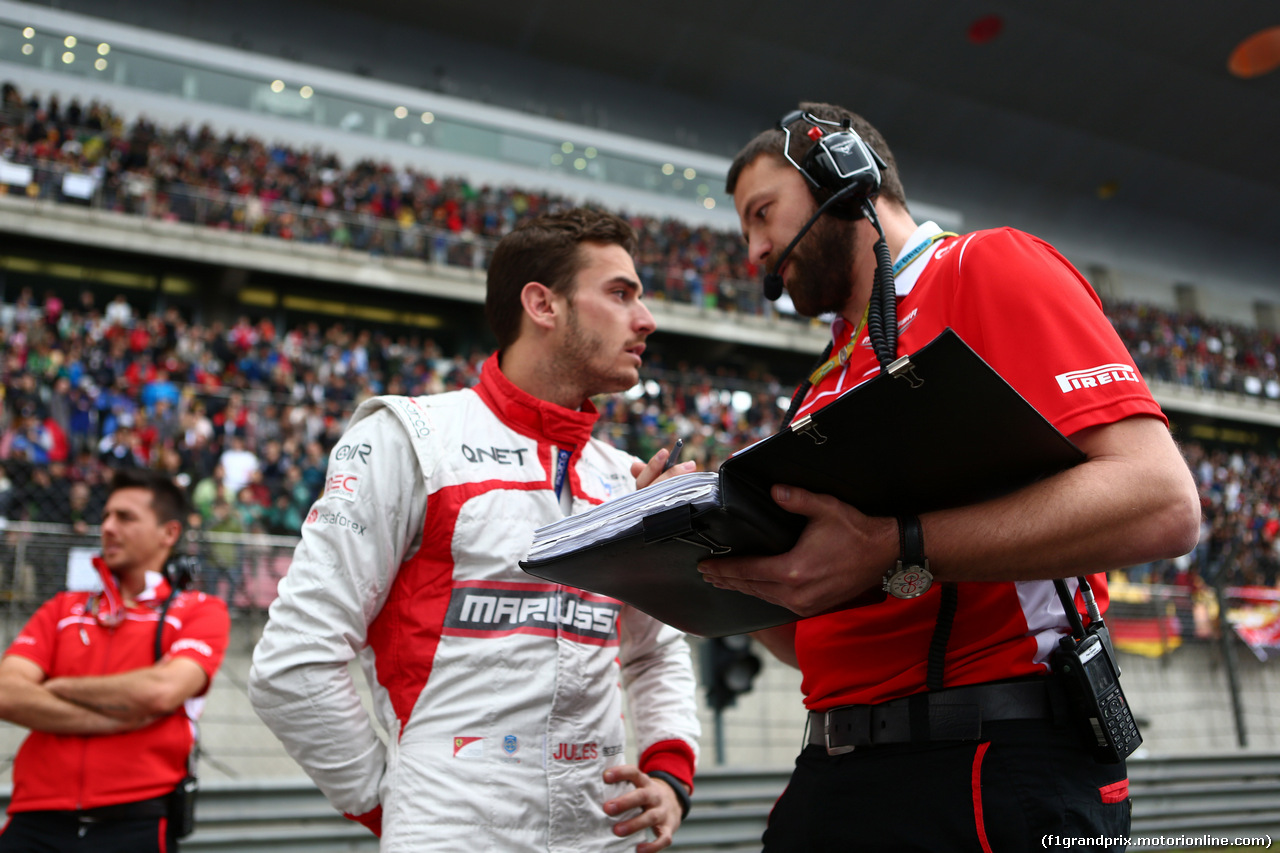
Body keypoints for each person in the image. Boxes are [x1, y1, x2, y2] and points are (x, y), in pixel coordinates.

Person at [702, 103, 1201, 851]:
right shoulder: (819, 385)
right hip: (833, 772)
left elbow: (1161, 503)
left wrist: (898, 542)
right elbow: (816, 633)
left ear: (844, 172)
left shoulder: (987, 263)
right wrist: (703, 556)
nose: (755, 249)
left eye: (764, 213)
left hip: (986, 763)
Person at [249, 209, 701, 853]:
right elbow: (293, 663)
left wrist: (668, 774)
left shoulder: (623, 481)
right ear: (542, 305)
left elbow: (655, 651)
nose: (646, 319)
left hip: (601, 832)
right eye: (620, 294)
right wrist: (399, 803)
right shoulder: (409, 440)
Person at [0, 468, 230, 852]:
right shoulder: (63, 608)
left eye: (125, 517)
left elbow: (162, 691)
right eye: (105, 515)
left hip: (135, 824)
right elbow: (7, 692)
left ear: (169, 533)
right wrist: (111, 716)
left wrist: (57, 688)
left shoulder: (200, 611)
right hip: (34, 818)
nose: (106, 526)